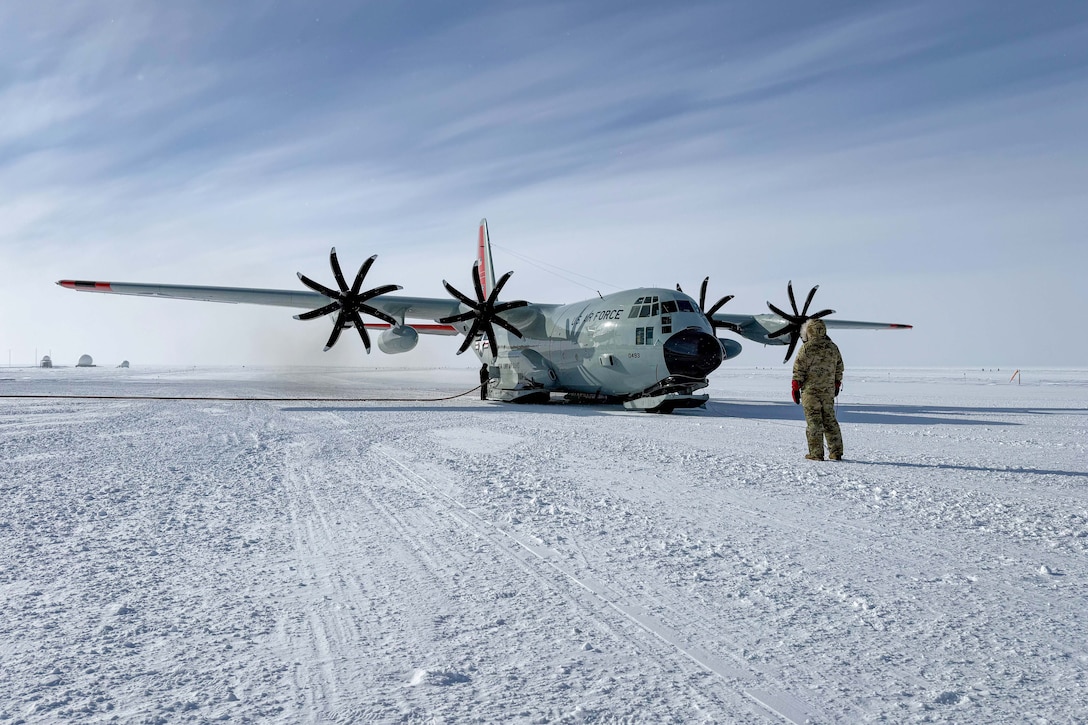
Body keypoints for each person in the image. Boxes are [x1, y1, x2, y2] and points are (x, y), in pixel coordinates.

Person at [791, 318, 844, 461]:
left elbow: (798, 369)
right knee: (830, 421)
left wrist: (795, 387)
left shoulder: (806, 348)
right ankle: (836, 452)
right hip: (828, 392)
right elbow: (839, 367)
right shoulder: (833, 348)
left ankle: (816, 453)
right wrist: (837, 383)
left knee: (814, 422)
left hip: (811, 392)